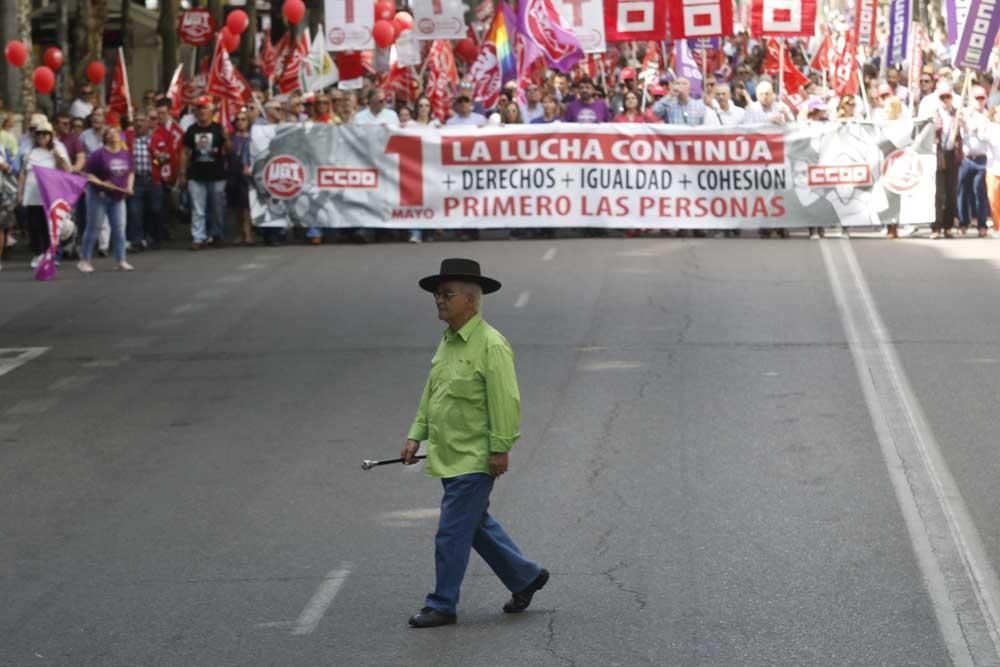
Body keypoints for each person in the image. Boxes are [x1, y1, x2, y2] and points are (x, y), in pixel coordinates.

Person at [402, 258, 548, 628]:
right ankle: (525, 577)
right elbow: (432, 392)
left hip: (474, 457)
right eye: (437, 294)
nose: (439, 300)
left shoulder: (491, 345)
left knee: (452, 531)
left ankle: (442, 603)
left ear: (471, 300)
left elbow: (506, 401)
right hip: (448, 453)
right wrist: (415, 434)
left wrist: (500, 447)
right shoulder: (449, 341)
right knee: (474, 525)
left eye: (447, 294)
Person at [16, 118, 71, 269]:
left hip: (49, 197)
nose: (42, 137)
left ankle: (50, 254)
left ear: (50, 136)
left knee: (49, 227)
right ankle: (38, 253)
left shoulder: (57, 150)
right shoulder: (30, 153)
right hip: (32, 196)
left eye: (45, 134)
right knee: (34, 226)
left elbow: (67, 171)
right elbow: (22, 174)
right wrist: (19, 194)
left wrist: (58, 158)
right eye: (39, 134)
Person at [78, 126, 135, 272]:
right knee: (94, 228)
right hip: (99, 196)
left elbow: (131, 173)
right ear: (105, 138)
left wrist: (129, 187)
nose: (113, 135)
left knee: (119, 229)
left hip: (118, 197)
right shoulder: (98, 155)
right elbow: (87, 174)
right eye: (109, 133)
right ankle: (85, 260)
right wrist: (102, 183)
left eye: (116, 132)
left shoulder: (126, 154)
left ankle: (121, 260)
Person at [179, 96, 229, 250]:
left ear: (211, 110)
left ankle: (217, 234)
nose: (201, 111)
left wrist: (226, 138)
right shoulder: (191, 130)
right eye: (199, 108)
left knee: (217, 207)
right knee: (198, 208)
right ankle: (198, 237)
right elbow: (185, 152)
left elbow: (227, 151)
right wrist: (182, 172)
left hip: (217, 175)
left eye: (204, 108)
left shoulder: (218, 128)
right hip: (196, 174)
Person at [148, 98, 184, 248]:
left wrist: (181, 172)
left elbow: (181, 152)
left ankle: (169, 228)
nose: (160, 116)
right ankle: (160, 234)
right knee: (157, 206)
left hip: (173, 173)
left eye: (163, 113)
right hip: (156, 173)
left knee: (170, 204)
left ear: (169, 112)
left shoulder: (177, 131)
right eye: (158, 113)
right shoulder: (155, 129)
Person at [957, 85, 991, 237]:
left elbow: (987, 136)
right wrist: (962, 122)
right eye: (977, 98)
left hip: (982, 159)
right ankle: (963, 222)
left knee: (979, 190)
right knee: (962, 191)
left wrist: (979, 128)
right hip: (966, 158)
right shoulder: (964, 113)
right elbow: (960, 132)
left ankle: (982, 224)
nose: (979, 101)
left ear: (986, 99)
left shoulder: (988, 115)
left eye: (982, 98)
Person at [932, 84, 960, 239]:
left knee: (951, 192)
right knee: (938, 192)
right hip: (938, 154)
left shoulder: (958, 114)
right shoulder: (934, 115)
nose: (945, 100)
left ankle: (948, 226)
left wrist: (961, 123)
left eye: (947, 97)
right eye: (942, 97)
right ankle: (936, 226)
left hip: (952, 155)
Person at [126, 109, 155, 251]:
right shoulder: (127, 138)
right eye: (136, 120)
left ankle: (150, 237)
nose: (138, 123)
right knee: (134, 211)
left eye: (142, 121)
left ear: (148, 123)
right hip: (135, 179)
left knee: (153, 209)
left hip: (152, 179)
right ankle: (136, 240)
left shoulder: (154, 138)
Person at [226, 110, 254, 245]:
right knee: (237, 206)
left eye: (243, 119)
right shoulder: (231, 137)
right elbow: (227, 152)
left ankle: (248, 233)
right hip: (233, 173)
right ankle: (238, 233)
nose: (240, 122)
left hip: (247, 174)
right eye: (238, 119)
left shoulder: (253, 137)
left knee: (247, 206)